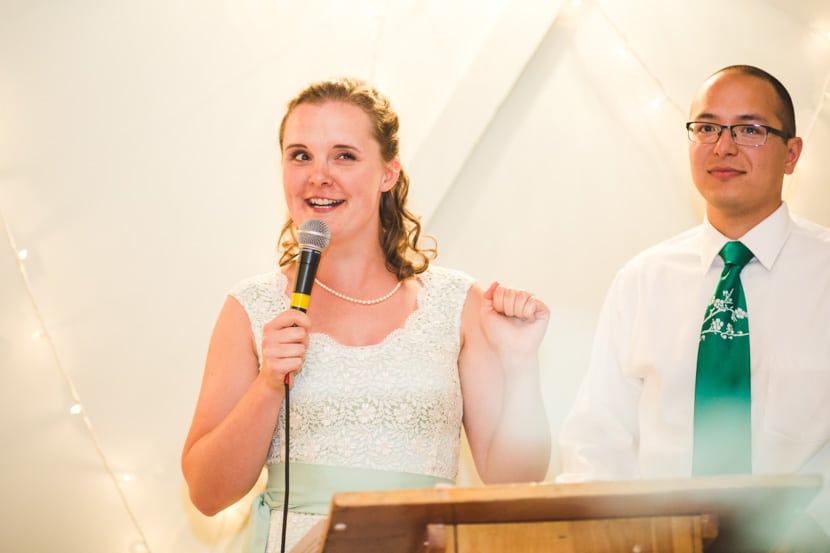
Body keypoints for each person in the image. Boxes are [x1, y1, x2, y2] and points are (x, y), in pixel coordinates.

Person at [181, 77, 552, 551]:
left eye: (345, 155)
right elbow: (207, 494)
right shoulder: (249, 307)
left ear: (388, 174)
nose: (319, 175)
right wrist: (269, 383)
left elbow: (514, 483)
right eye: (300, 155)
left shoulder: (459, 304)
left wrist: (520, 364)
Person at [557, 65, 830, 548]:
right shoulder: (642, 281)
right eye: (706, 127)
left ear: (792, 154)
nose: (723, 146)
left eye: (750, 129)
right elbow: (597, 440)